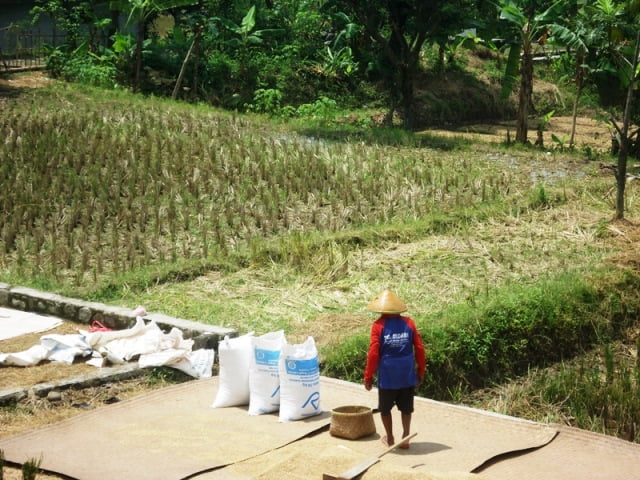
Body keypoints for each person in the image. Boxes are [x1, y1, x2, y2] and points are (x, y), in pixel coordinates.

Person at [364, 288, 426, 449]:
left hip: (388, 374)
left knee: (385, 409)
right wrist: (420, 371)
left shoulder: (378, 325)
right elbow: (419, 348)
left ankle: (390, 437)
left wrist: (368, 376)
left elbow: (373, 353)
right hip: (406, 372)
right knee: (406, 407)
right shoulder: (409, 323)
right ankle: (406, 436)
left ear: (382, 309)